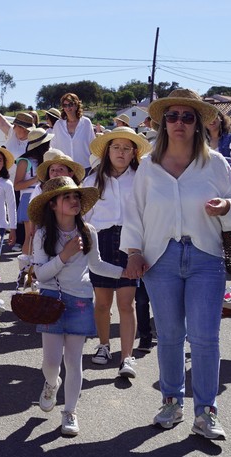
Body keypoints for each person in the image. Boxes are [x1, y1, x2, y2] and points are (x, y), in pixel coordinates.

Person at [121, 89, 231, 440]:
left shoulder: (215, 163)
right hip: (159, 258)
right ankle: (171, 402)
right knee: (169, 336)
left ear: (197, 124)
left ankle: (206, 412)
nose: (179, 122)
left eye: (187, 117)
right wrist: (133, 252)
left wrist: (227, 207)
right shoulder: (148, 166)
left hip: (206, 257)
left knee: (205, 337)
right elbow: (134, 213)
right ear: (163, 123)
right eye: (172, 116)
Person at [29, 176, 126, 436]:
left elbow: (97, 266)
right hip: (50, 300)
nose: (74, 201)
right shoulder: (43, 234)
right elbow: (40, 274)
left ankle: (70, 411)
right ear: (52, 204)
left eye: (76, 196)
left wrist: (124, 272)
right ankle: (52, 384)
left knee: (73, 361)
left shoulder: (88, 231)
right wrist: (65, 255)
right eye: (67, 197)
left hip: (81, 300)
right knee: (51, 363)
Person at [84, 127, 151, 377]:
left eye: (126, 148)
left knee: (126, 303)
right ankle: (103, 345)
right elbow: (84, 216)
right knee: (102, 303)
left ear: (134, 153)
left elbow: (148, 212)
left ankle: (127, 357)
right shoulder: (93, 180)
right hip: (100, 242)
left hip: (130, 243)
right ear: (107, 151)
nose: (121, 152)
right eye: (116, 147)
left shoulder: (142, 178)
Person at [14, 128, 54, 254]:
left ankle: (38, 262)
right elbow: (17, 186)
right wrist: (36, 179)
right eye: (47, 143)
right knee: (30, 236)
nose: (50, 145)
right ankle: (26, 263)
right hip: (28, 199)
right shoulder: (24, 161)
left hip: (45, 197)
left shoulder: (47, 160)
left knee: (43, 236)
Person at [51, 93, 95, 171]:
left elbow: (92, 144)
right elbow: (53, 146)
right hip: (64, 168)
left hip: (85, 167)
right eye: (65, 105)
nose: (68, 108)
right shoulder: (58, 125)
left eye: (70, 104)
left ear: (76, 105)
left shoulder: (86, 123)